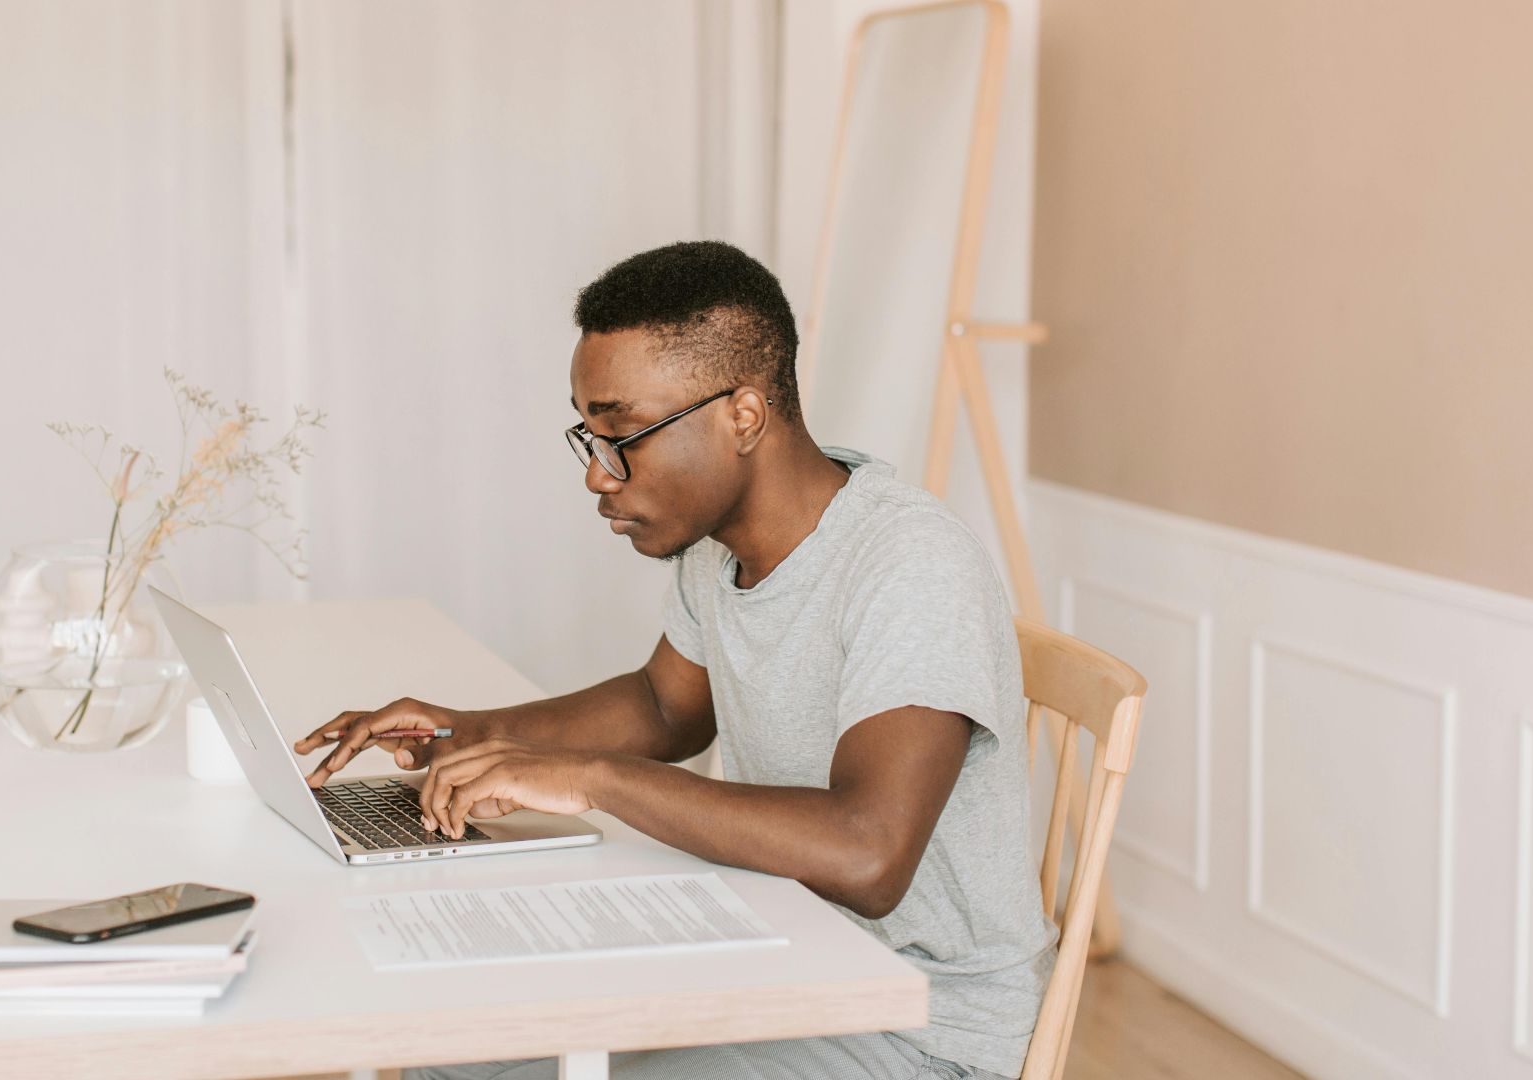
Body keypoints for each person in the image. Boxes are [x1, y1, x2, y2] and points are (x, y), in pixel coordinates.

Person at [298, 240, 1054, 1080]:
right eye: (587, 435)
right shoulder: (718, 547)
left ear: (743, 415)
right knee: (453, 1048)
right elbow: (666, 708)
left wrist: (592, 778)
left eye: (624, 434)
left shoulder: (910, 564)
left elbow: (868, 855)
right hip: (779, 952)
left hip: (916, 1025)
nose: (596, 474)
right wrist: (467, 733)